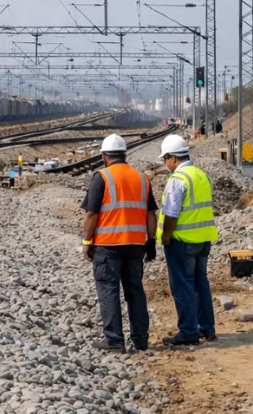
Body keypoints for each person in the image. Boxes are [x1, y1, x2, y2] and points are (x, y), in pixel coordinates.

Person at [81, 134, 158, 352]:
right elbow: (151, 214)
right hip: (135, 245)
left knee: (108, 290)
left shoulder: (102, 177)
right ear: (125, 155)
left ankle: (114, 340)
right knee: (135, 291)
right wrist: (151, 241)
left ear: (104, 157)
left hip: (108, 245)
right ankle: (141, 340)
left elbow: (91, 215)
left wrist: (86, 242)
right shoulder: (142, 179)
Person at [158, 134, 219, 347]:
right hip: (203, 240)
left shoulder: (178, 179)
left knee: (182, 285)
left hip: (182, 241)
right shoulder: (201, 175)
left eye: (165, 159)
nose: (165, 164)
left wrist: (166, 236)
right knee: (201, 284)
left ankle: (188, 332)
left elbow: (171, 213)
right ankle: (207, 328)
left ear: (173, 158)